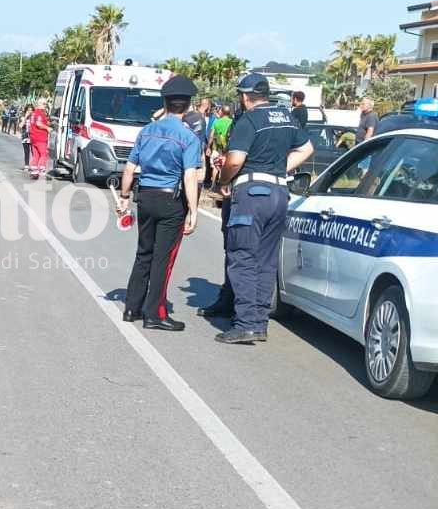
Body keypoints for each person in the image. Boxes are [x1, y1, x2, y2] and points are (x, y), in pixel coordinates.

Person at [211, 73, 314, 344]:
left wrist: (224, 181)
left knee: (243, 257)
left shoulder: (249, 120)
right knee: (265, 261)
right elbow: (307, 149)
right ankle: (258, 323)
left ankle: (245, 323)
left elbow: (235, 160)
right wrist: (280, 168)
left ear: (245, 96)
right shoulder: (286, 116)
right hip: (280, 193)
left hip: (252, 194)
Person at [116, 75, 203, 331]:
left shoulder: (147, 130)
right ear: (187, 105)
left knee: (143, 252)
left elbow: (130, 168)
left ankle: (132, 307)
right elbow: (189, 175)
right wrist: (194, 211)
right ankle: (154, 313)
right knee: (161, 258)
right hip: (170, 200)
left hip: (145, 196)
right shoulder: (188, 137)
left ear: (164, 102)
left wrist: (124, 198)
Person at [28, 98, 51, 179]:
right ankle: (41, 171)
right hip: (40, 137)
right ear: (40, 104)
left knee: (36, 155)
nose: (46, 105)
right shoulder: (40, 113)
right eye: (44, 104)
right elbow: (38, 123)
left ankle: (34, 171)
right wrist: (47, 128)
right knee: (44, 154)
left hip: (33, 137)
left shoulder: (34, 113)